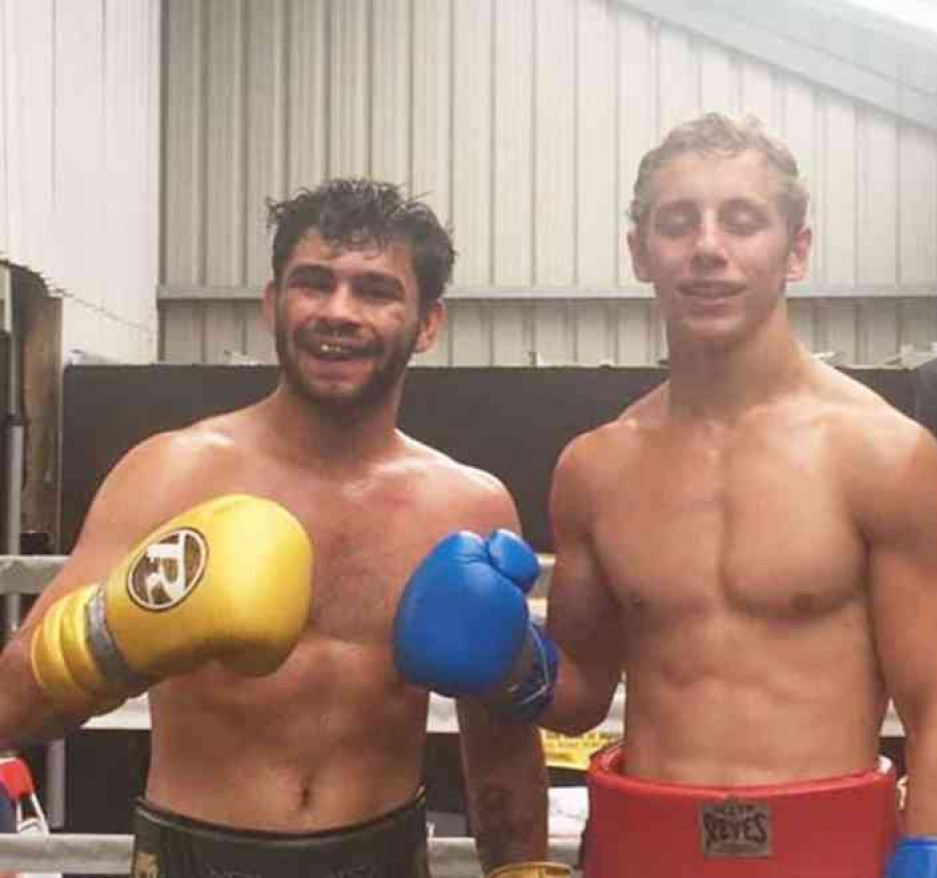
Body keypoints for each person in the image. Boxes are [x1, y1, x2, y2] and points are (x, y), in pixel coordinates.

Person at [393, 114, 937, 877]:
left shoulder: (885, 455)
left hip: (827, 852)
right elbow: (577, 697)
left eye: (742, 221)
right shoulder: (596, 468)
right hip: (645, 851)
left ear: (795, 249)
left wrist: (936, 857)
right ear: (639, 252)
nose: (709, 247)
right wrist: (505, 656)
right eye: (677, 222)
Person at [0, 179, 563, 878]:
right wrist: (112, 633)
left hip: (382, 858)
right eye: (313, 283)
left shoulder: (465, 504)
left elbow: (501, 745)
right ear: (272, 304)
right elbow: (13, 708)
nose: (337, 312)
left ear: (427, 323)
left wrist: (521, 872)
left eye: (375, 291)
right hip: (192, 856)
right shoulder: (169, 474)